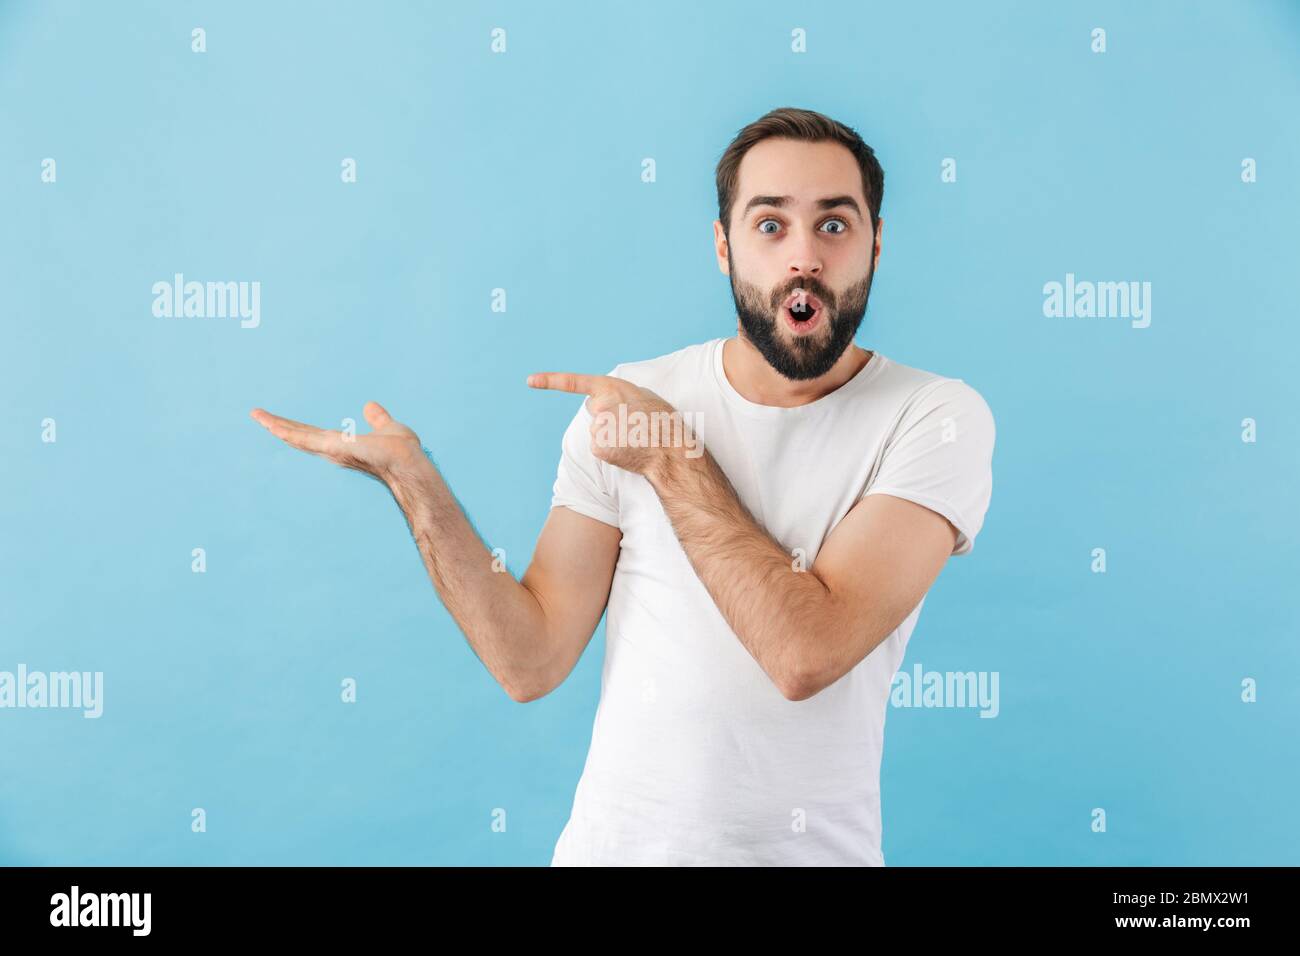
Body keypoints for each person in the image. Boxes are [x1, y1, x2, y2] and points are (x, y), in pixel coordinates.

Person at [251, 106, 996, 866]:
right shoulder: (631, 398)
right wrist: (417, 488)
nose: (803, 257)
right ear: (722, 246)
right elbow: (530, 660)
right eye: (769, 225)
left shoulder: (934, 418)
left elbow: (804, 654)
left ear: (877, 242)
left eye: (834, 226)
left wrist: (673, 459)